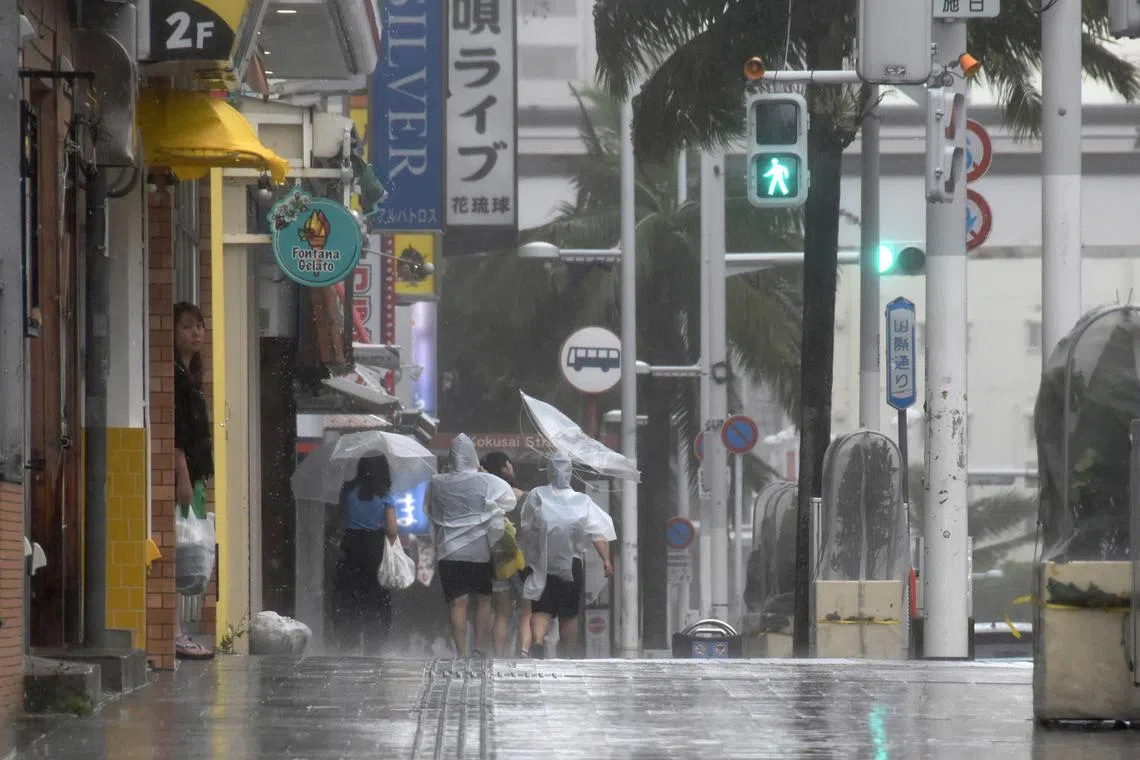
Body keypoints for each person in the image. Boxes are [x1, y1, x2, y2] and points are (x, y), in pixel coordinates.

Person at [519, 451, 615, 659]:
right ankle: (569, 655)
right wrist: (605, 559)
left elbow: (526, 526)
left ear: (549, 472)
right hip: (572, 564)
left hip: (543, 563)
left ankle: (537, 641)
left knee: (542, 608)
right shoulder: (582, 501)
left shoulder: (537, 494)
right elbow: (597, 532)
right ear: (570, 473)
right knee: (569, 614)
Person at [428, 434, 517, 656]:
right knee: (484, 601)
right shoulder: (486, 481)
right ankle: (478, 647)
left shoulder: (437, 482)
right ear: (473, 457)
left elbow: (431, 510)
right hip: (480, 551)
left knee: (458, 604)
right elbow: (509, 500)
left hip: (449, 551)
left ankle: (461, 652)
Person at [173, 302, 215, 660]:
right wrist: (183, 477)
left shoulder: (191, 375)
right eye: (187, 327)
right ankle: (173, 631)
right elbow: (178, 436)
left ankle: (177, 630)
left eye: (199, 326)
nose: (196, 332)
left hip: (196, 477)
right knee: (178, 550)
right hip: (184, 480)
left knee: (187, 550)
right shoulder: (175, 378)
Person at [331, 455, 400, 655]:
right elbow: (393, 531)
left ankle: (349, 640)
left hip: (350, 545)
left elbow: (339, 518)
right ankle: (374, 643)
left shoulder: (347, 490)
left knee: (349, 593)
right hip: (375, 547)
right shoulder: (385, 494)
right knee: (377, 596)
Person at [480, 451, 531, 657]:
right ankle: (524, 652)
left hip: (498, 559)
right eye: (510, 465)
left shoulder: (487, 498)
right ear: (504, 468)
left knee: (501, 613)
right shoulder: (523, 497)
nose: (513, 468)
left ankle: (499, 656)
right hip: (523, 560)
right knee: (526, 611)